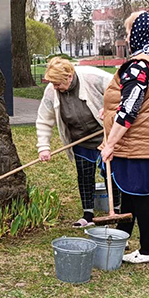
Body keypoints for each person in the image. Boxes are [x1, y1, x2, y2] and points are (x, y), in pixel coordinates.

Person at [99, 11, 149, 264]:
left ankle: (148, 250)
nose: (128, 36)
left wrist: (110, 144)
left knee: (140, 196)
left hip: (142, 143)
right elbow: (143, 99)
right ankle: (121, 238)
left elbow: (129, 110)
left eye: (129, 31)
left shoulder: (141, 64)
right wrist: (109, 109)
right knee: (130, 192)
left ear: (138, 32)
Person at [36, 58, 120, 227]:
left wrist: (110, 108)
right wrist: (44, 147)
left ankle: (116, 210)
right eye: (52, 83)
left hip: (104, 135)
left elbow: (120, 90)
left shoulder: (92, 77)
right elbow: (44, 119)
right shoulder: (52, 91)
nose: (54, 87)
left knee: (111, 173)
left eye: (58, 83)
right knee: (84, 175)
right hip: (80, 139)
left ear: (69, 76)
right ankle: (88, 215)